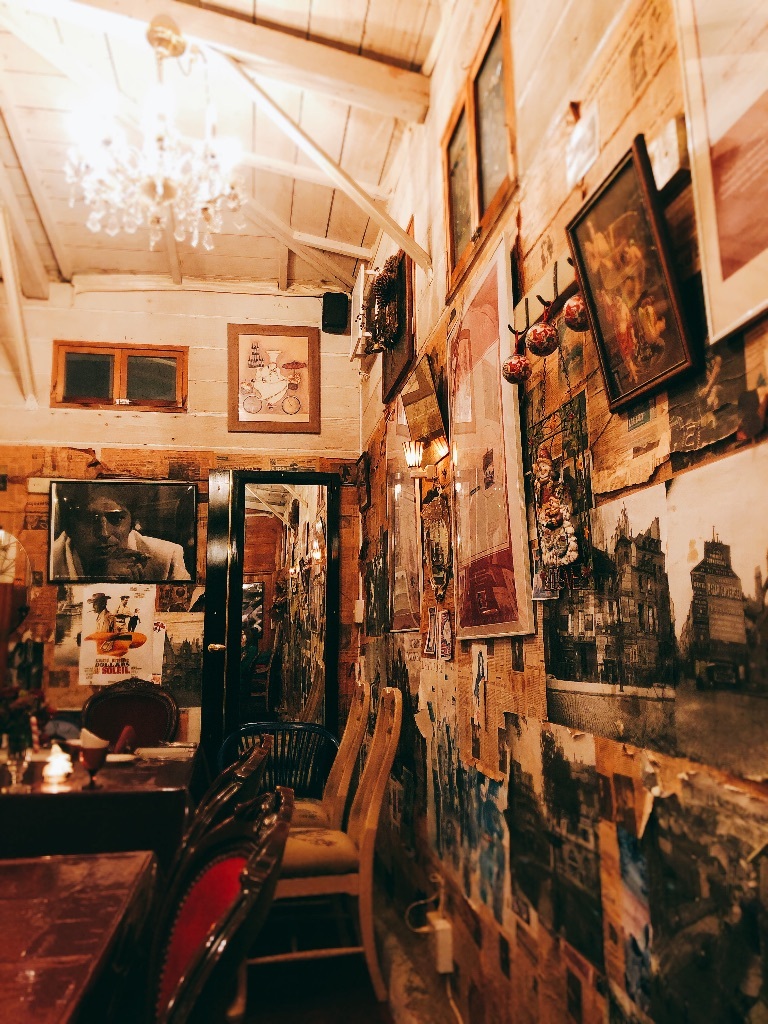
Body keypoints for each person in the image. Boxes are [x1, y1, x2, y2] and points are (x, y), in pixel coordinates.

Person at [52, 484, 191, 581]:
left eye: (116, 519)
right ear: (69, 527)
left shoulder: (165, 558)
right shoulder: (50, 561)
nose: (104, 533)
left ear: (132, 523)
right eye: (89, 519)